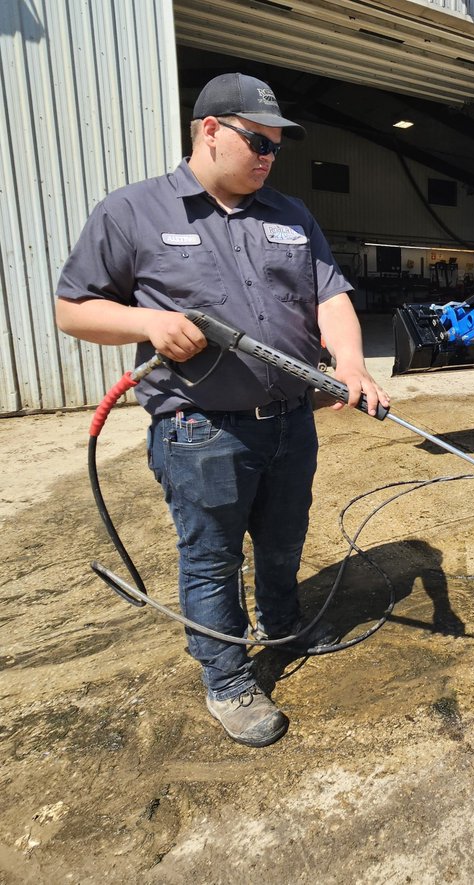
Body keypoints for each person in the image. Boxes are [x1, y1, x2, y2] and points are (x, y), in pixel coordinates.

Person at [55, 73, 389, 748]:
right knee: (210, 560)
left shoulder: (291, 215)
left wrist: (350, 362)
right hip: (201, 429)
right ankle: (228, 676)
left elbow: (330, 300)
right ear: (210, 130)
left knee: (283, 539)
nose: (269, 154)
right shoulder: (133, 213)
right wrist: (149, 323)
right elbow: (73, 308)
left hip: (292, 422)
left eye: (276, 144)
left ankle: (285, 621)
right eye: (256, 140)